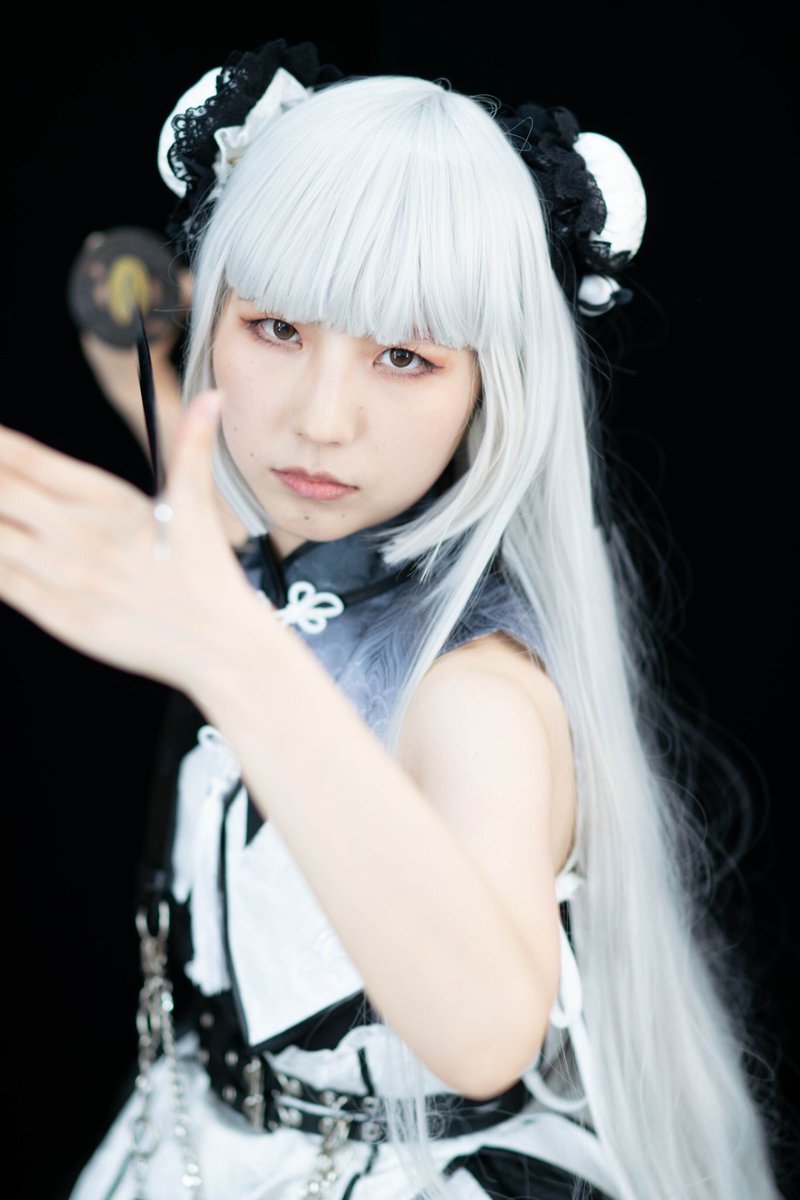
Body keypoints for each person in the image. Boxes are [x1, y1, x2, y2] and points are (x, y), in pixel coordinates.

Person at [0, 37, 782, 1200]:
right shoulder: (267, 554)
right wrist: (134, 336)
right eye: (277, 329)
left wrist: (227, 651)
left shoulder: (474, 692)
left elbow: (484, 1032)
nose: (321, 420)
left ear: (492, 386)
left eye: (404, 356)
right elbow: (197, 450)